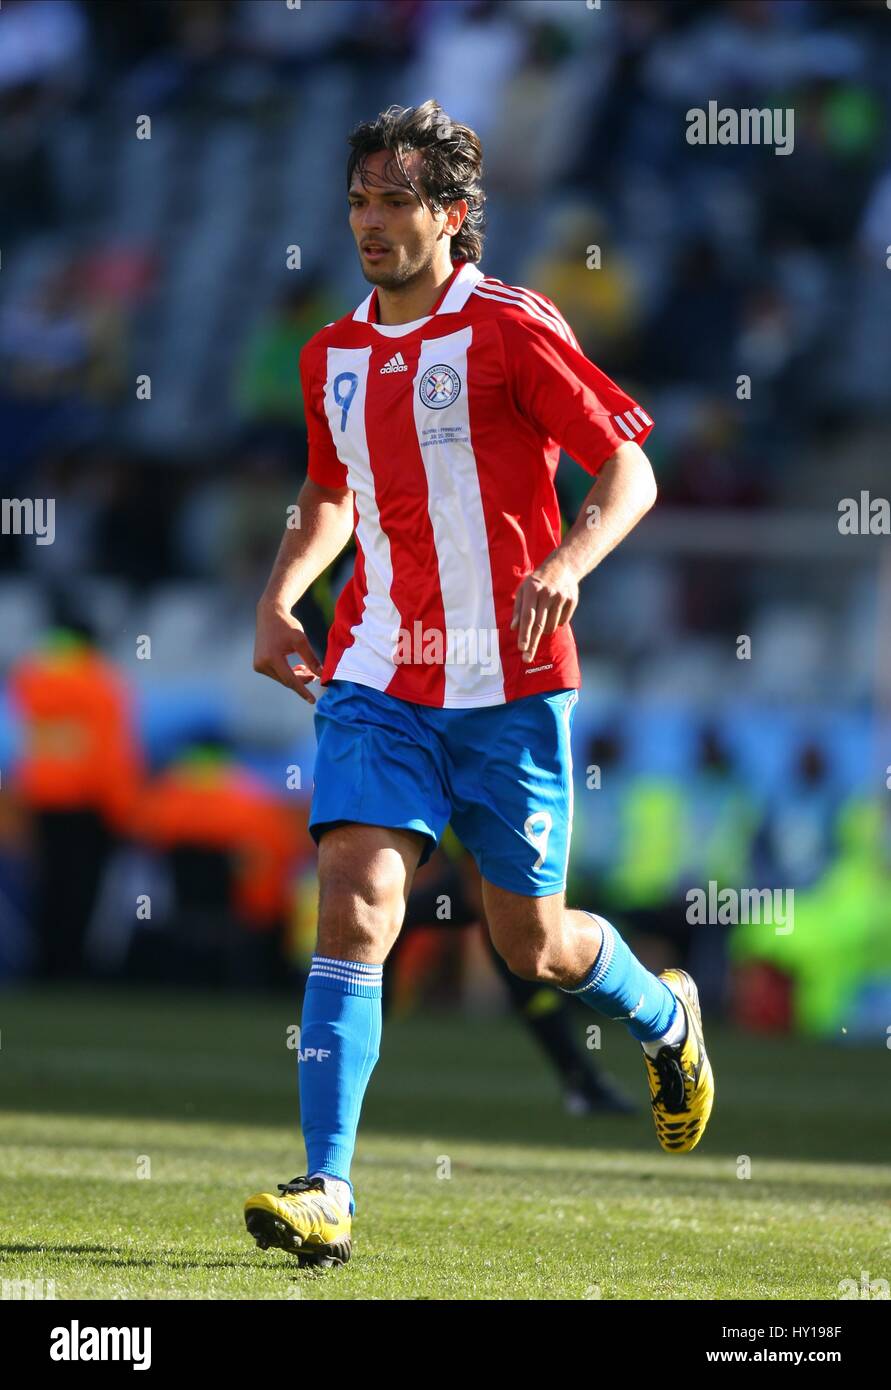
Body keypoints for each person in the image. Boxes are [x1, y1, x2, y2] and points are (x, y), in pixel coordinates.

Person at [244, 100, 714, 1268]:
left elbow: (628, 469)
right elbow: (330, 495)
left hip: (509, 681)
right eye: (360, 200)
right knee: (355, 899)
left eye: (397, 200)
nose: (372, 222)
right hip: (377, 669)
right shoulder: (331, 354)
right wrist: (282, 590)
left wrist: (564, 560)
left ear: (454, 214)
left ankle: (667, 1017)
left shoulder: (510, 328)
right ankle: (328, 1189)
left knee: (532, 946)